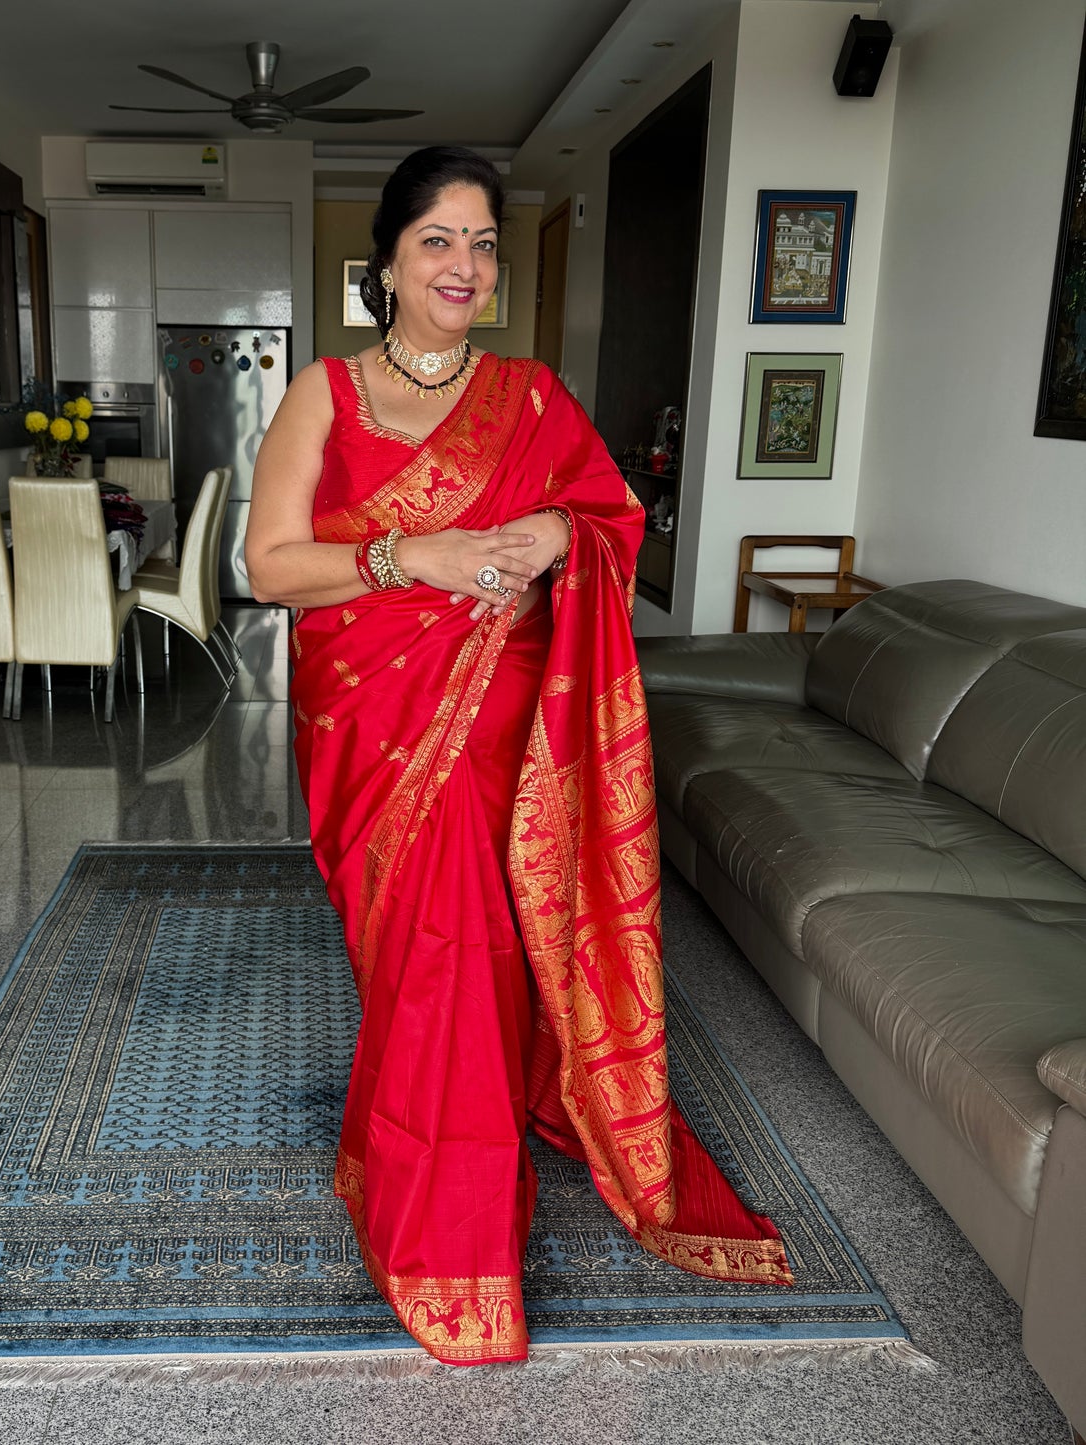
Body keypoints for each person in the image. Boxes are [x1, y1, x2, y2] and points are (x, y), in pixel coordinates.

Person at [244, 146, 791, 1366]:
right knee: (417, 964)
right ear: (386, 262)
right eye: (437, 239)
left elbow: (606, 519)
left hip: (508, 734)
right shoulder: (323, 394)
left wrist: (551, 527)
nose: (464, 264)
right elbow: (269, 566)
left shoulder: (532, 396)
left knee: (477, 963)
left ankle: (456, 1227)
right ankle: (417, 1185)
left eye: (482, 243)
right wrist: (414, 556)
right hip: (374, 730)